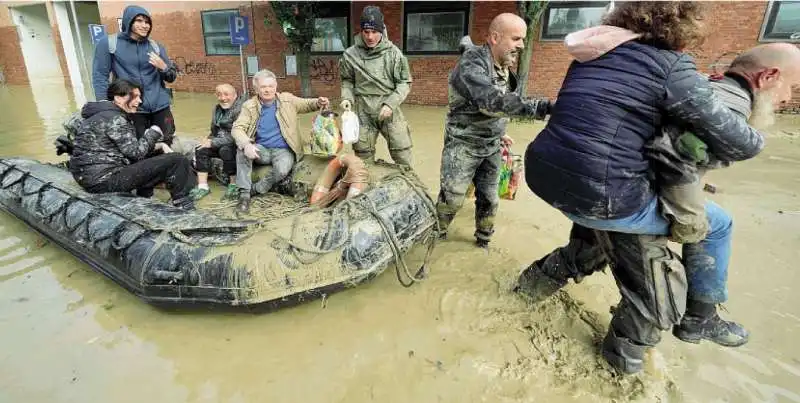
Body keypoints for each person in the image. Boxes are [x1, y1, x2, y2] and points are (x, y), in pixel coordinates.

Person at [514, 2, 769, 374]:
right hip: (604, 195)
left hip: (548, 177)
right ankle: (674, 334)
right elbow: (740, 142)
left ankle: (524, 292)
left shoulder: (590, 55)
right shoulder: (671, 66)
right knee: (716, 227)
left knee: (592, 244)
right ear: (681, 29)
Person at [436, 13, 551, 249]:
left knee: (489, 197)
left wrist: (501, 131)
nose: (521, 45)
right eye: (516, 38)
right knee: (452, 197)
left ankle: (483, 241)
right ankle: (436, 234)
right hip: (463, 143)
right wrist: (543, 107)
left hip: (492, 144)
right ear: (495, 37)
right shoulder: (471, 64)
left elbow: (504, 102)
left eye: (523, 39)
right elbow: (490, 101)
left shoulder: (504, 64)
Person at [67, 79, 196, 210]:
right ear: (118, 97)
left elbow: (127, 150)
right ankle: (183, 205)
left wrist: (161, 146)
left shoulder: (98, 115)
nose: (139, 101)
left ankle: (145, 196)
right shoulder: (116, 119)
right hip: (104, 182)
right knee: (177, 159)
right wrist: (153, 132)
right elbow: (136, 154)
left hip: (89, 179)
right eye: (135, 97)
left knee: (153, 155)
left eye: (140, 97)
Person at [231, 69, 329, 214]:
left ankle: (257, 189)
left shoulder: (287, 100)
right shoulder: (249, 106)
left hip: (283, 150)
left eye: (271, 86)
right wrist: (246, 144)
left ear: (276, 86)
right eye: (263, 87)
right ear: (256, 89)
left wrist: (318, 102)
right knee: (241, 151)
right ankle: (244, 195)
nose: (268, 90)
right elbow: (237, 128)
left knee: (282, 169)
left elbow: (307, 104)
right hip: (261, 149)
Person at [339, 6, 414, 167]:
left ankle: (409, 187)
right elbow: (347, 80)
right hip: (363, 110)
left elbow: (404, 82)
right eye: (366, 32)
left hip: (389, 109)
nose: (370, 37)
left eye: (374, 31)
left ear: (382, 30)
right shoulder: (350, 55)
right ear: (361, 31)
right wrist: (347, 98)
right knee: (362, 157)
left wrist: (390, 104)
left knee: (402, 152)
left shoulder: (394, 54)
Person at [92, 5, 178, 142]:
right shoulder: (109, 44)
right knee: (138, 148)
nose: (145, 26)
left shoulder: (156, 46)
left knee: (167, 142)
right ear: (128, 21)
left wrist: (164, 67)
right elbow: (100, 77)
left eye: (147, 22)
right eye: (139, 21)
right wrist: (105, 107)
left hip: (161, 107)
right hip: (132, 108)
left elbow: (171, 77)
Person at [190, 84, 245, 201]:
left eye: (226, 94)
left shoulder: (241, 110)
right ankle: (203, 186)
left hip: (235, 143)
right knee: (200, 149)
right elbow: (214, 130)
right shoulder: (217, 108)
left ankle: (233, 184)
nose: (223, 98)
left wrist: (212, 143)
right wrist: (207, 140)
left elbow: (237, 135)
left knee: (226, 150)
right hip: (218, 140)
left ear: (235, 95)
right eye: (219, 94)